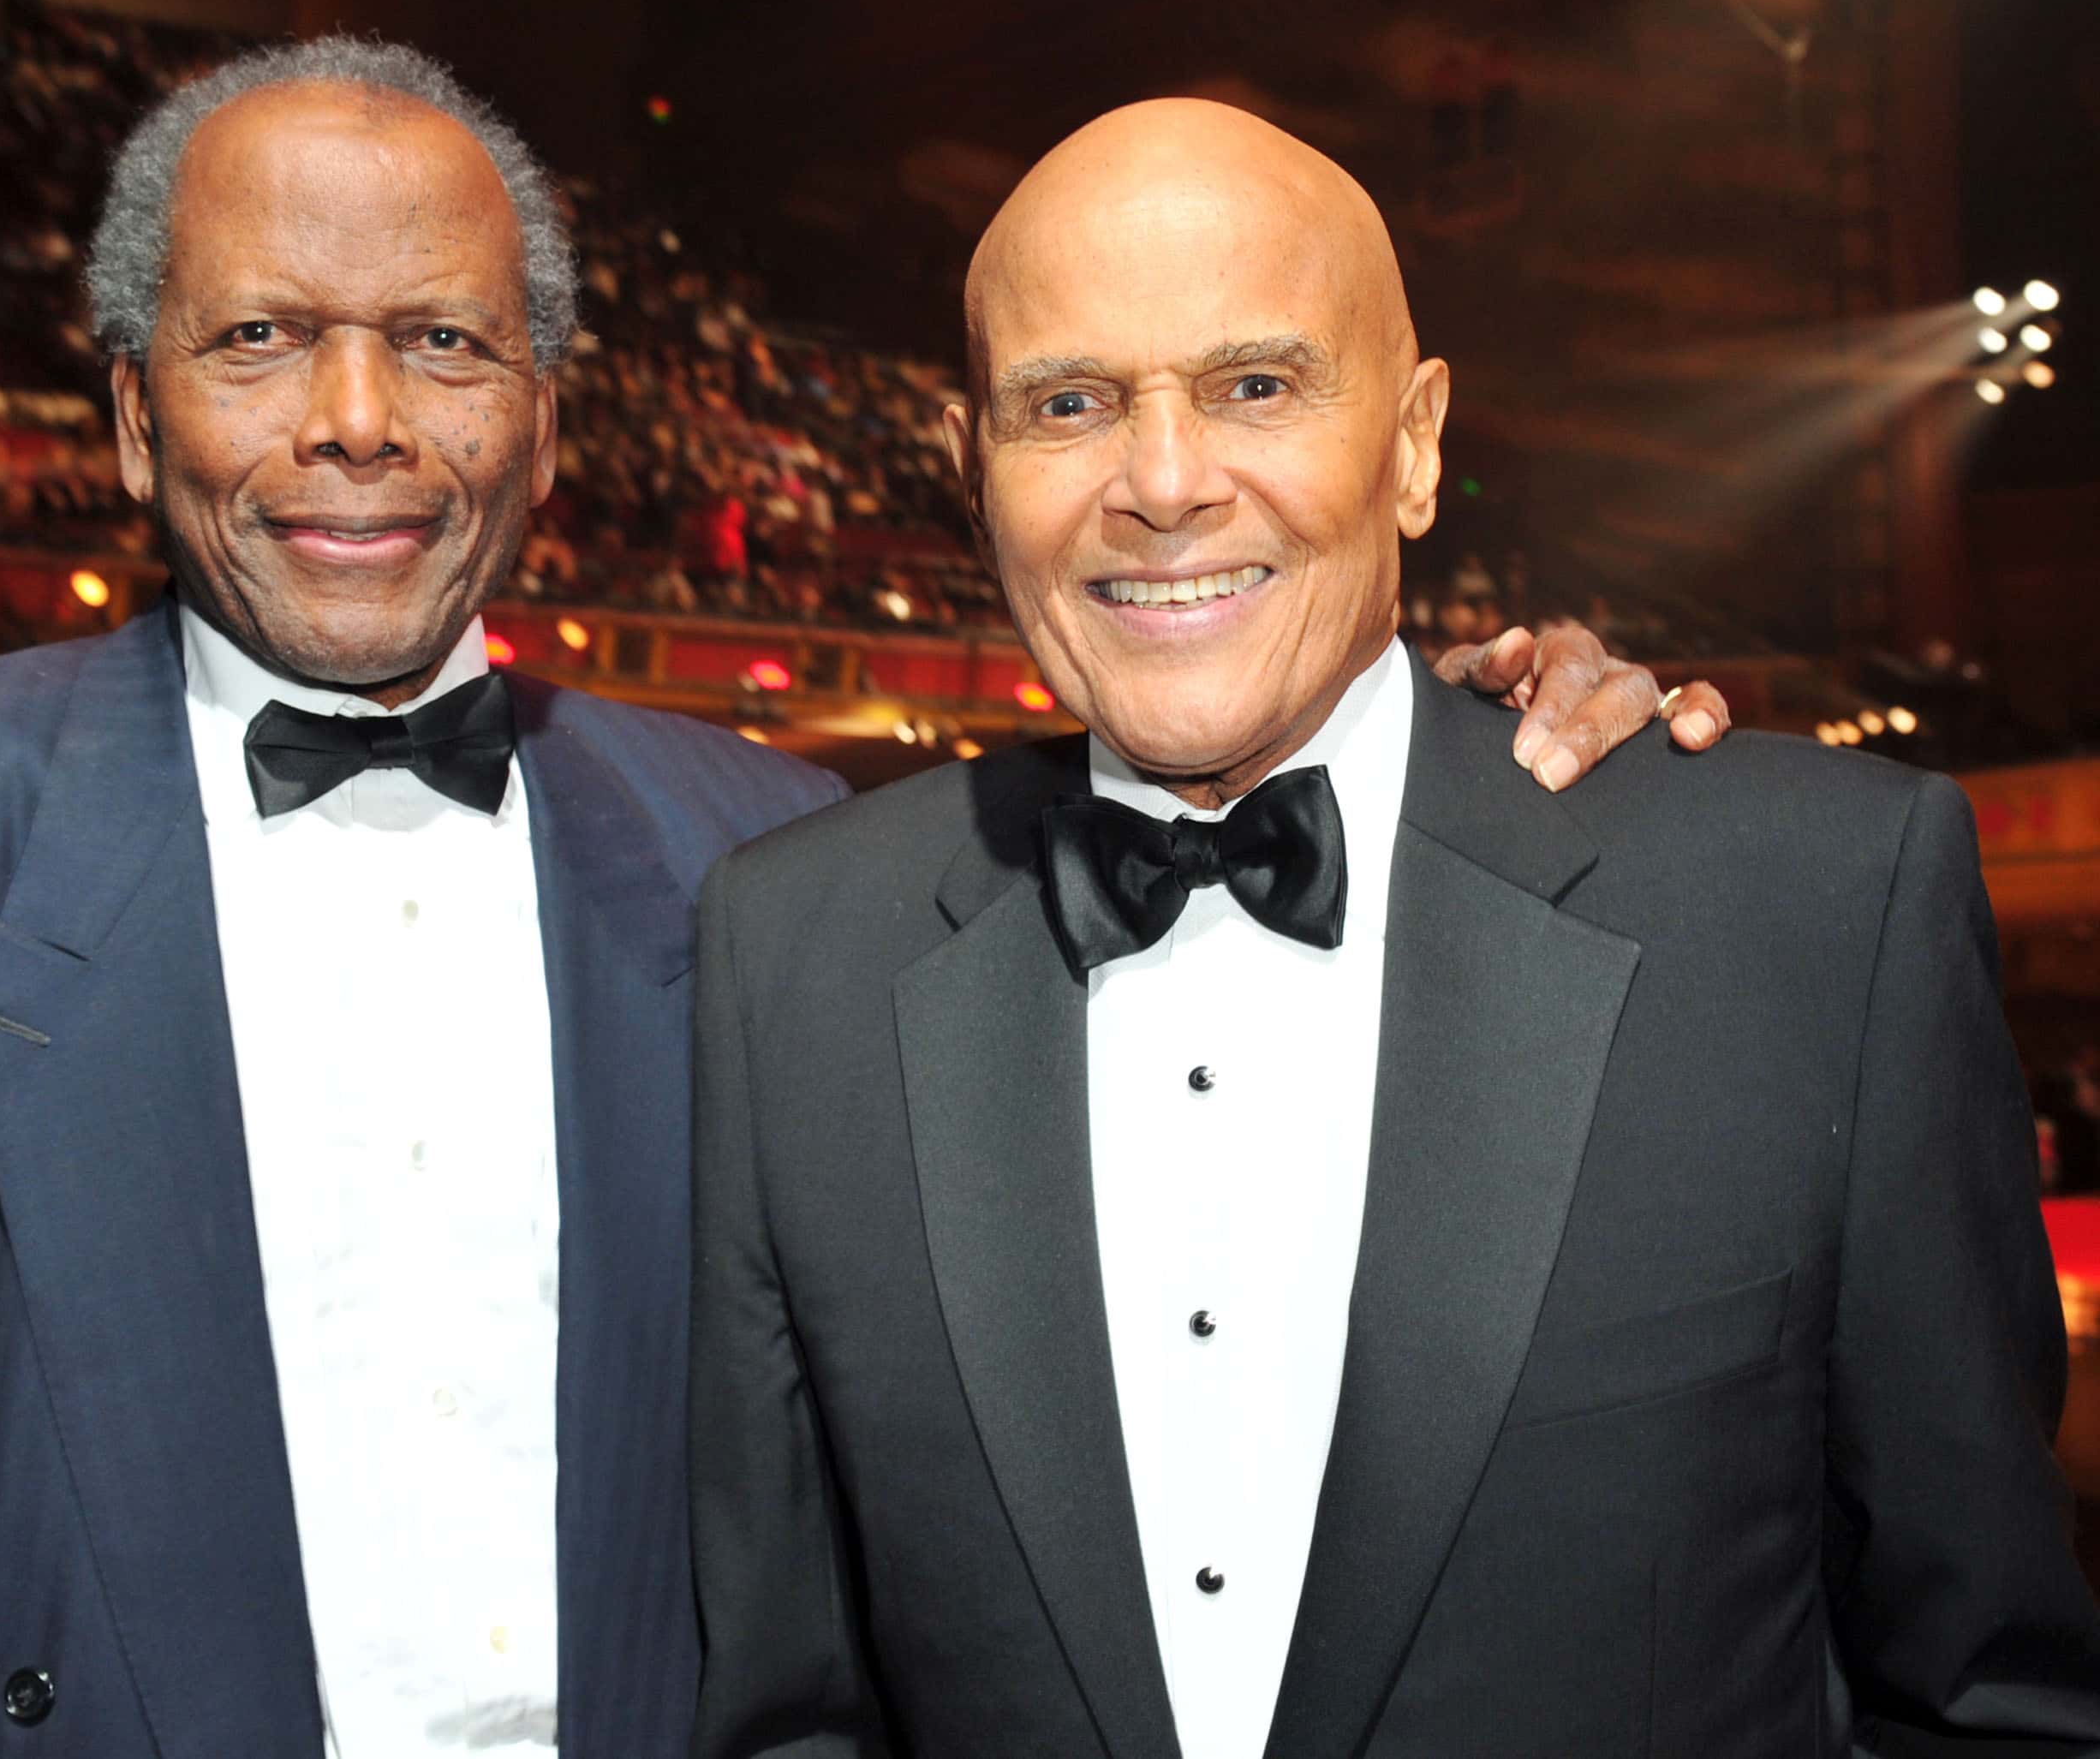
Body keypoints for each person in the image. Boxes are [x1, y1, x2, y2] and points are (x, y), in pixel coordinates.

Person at [0, 43, 1703, 1758]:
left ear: (547, 415)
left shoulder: (772, 854)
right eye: (261, 339)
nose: (357, 423)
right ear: (127, 403)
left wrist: (1493, 726)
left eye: (441, 343)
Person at [688, 99, 2100, 1757]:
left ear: (1417, 443)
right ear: (972, 467)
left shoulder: (1811, 906)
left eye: (1255, 385)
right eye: (1069, 404)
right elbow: (790, 1713)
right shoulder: (795, 963)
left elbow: (1990, 1698)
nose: (1160, 482)